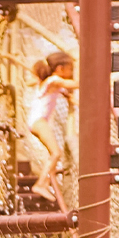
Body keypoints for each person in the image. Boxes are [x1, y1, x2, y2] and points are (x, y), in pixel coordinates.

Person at [28, 50, 77, 210]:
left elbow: (63, 91)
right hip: (39, 121)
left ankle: (47, 179)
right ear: (60, 69)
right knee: (56, 152)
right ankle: (41, 184)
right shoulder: (55, 80)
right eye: (70, 69)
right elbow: (73, 84)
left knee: (55, 153)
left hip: (36, 121)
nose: (71, 73)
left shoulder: (48, 83)